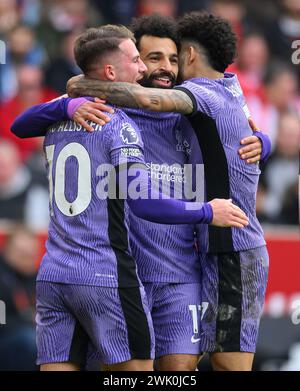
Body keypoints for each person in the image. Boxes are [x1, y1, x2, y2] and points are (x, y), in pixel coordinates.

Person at [12, 15, 269, 371]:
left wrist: (262, 142)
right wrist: (67, 102)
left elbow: (235, 127)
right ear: (126, 65)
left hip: (179, 275)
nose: (165, 67)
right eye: (150, 58)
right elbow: (23, 123)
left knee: (179, 370)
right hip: (124, 273)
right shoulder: (105, 111)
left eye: (173, 59)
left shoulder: (191, 111)